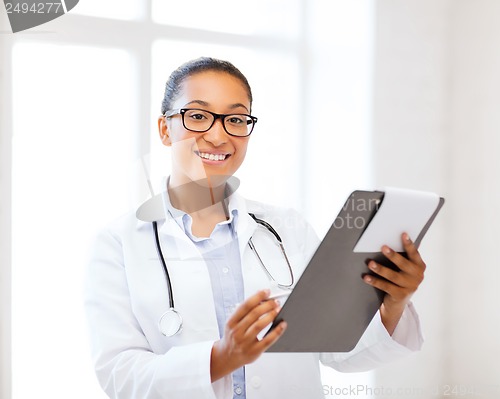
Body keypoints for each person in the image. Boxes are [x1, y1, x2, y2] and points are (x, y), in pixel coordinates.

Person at [85, 57, 426, 399]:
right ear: (165, 129)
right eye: (198, 116)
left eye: (235, 119)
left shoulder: (288, 228)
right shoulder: (118, 244)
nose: (218, 136)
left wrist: (392, 303)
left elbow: (336, 348)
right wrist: (221, 357)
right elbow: (121, 376)